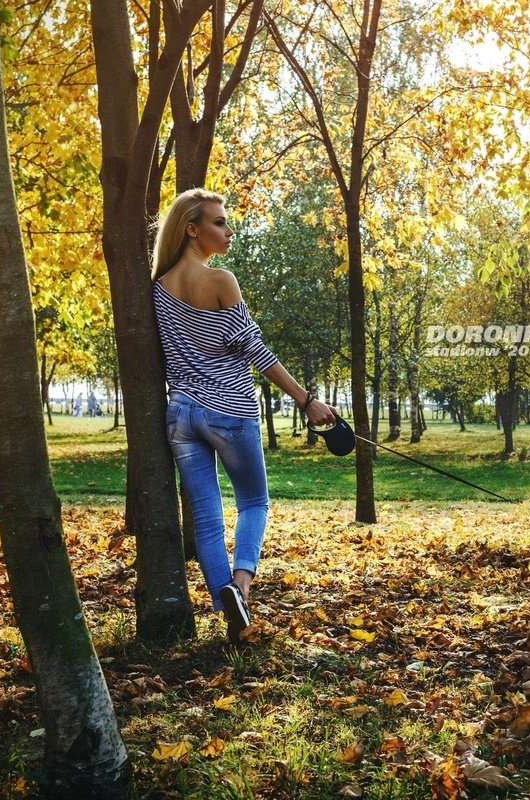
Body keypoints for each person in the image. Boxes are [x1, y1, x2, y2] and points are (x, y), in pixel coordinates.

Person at [151, 188, 337, 644]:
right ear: (192, 229)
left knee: (208, 517)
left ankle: (227, 607)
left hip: (180, 416)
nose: (228, 231)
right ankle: (241, 587)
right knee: (254, 502)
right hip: (228, 412)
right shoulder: (221, 281)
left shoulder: (157, 287)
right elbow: (256, 351)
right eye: (218, 222)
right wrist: (305, 400)